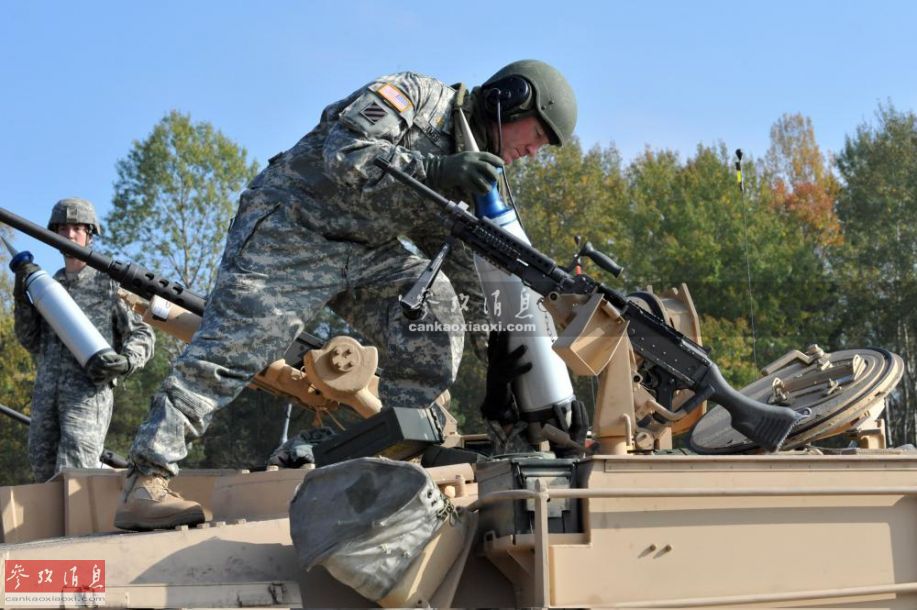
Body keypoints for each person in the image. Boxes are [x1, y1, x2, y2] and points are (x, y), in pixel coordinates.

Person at [114, 59, 577, 531]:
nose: (534, 152)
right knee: (235, 348)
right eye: (537, 136)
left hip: (369, 253)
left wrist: (522, 385)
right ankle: (146, 481)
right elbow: (346, 151)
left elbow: (474, 278)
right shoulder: (416, 96)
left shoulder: (476, 172)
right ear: (508, 100)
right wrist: (436, 169)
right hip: (293, 229)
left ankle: (390, 469)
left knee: (436, 316)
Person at [13, 197, 155, 483]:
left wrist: (126, 362)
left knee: (75, 471)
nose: (69, 235)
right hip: (46, 396)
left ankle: (75, 530)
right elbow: (30, 340)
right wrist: (22, 297)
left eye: (77, 228)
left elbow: (143, 333)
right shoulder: (49, 285)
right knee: (42, 470)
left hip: (87, 395)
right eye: (63, 228)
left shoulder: (109, 282)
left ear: (90, 234)